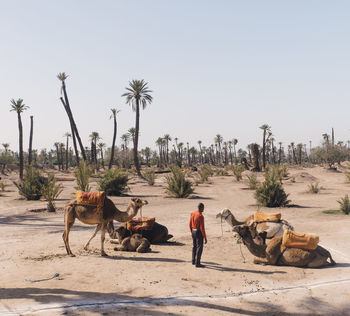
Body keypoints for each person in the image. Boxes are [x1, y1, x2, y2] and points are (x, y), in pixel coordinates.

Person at [189, 202, 207, 268]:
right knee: (199, 247)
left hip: (193, 231)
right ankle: (197, 263)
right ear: (201, 208)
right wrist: (205, 237)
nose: (203, 209)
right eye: (203, 208)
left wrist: (192, 232)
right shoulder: (201, 216)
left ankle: (193, 261)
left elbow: (190, 224)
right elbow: (202, 228)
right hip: (198, 232)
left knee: (194, 246)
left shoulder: (193, 213)